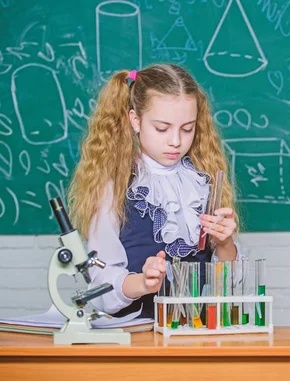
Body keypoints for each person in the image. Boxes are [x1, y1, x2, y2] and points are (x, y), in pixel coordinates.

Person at [68, 64, 244, 318]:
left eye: (187, 129)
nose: (175, 140)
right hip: (140, 338)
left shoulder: (202, 181)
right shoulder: (115, 185)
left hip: (199, 332)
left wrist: (225, 243)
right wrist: (142, 282)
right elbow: (99, 285)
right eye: (162, 128)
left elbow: (231, 282)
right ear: (135, 120)